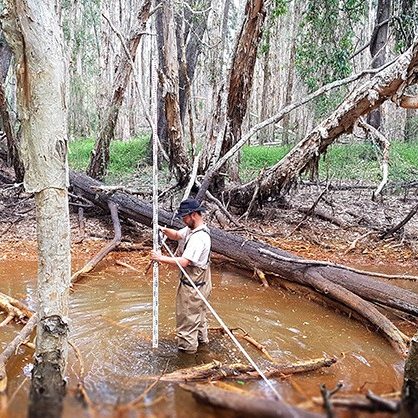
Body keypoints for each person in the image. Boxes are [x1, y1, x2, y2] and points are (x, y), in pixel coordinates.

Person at [151, 198, 212, 354]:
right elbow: (177, 235)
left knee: (187, 323)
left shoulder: (199, 238)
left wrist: (160, 258)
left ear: (193, 215)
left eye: (184, 217)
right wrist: (162, 229)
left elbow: (184, 262)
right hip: (202, 284)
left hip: (193, 288)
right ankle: (203, 349)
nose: (183, 220)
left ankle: (187, 359)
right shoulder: (194, 229)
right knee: (199, 319)